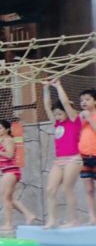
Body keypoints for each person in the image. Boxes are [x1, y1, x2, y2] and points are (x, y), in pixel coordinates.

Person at [41, 79, 82, 228]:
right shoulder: (57, 123)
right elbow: (46, 107)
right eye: (55, 114)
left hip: (74, 159)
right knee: (50, 189)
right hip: (59, 161)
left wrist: (58, 86)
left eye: (59, 114)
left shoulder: (74, 120)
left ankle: (73, 220)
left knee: (67, 188)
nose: (57, 116)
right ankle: (52, 220)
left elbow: (65, 103)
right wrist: (45, 89)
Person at [0, 119, 39, 230]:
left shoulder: (8, 140)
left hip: (11, 171)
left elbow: (10, 155)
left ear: (7, 129)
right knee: (8, 198)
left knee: (6, 198)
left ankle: (8, 224)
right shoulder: (4, 140)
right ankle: (29, 215)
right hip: (8, 171)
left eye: (0, 128)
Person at [78, 87, 96, 225]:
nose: (84, 102)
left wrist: (89, 119)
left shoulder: (91, 116)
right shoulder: (81, 117)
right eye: (82, 100)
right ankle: (92, 217)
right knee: (88, 189)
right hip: (83, 157)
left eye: (87, 99)